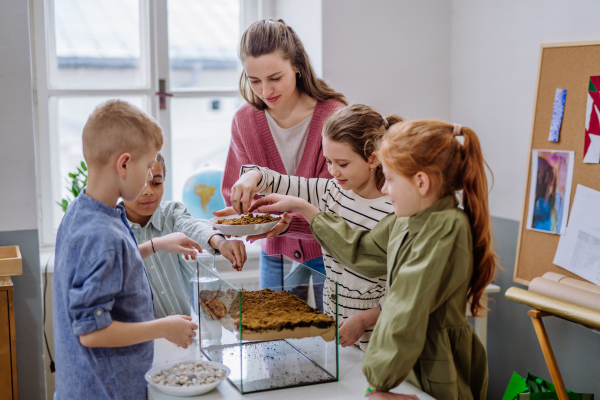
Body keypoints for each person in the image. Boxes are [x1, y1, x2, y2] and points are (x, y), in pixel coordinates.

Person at [250, 120, 498, 399]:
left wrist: (378, 380)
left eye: (390, 179)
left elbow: (406, 307)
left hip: (437, 363)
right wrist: (307, 210)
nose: (384, 190)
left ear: (421, 182)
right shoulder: (406, 220)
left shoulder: (445, 227)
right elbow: (361, 250)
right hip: (409, 361)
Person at [53, 100, 198, 400]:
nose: (148, 178)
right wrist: (163, 327)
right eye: (147, 167)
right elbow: (93, 332)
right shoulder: (102, 235)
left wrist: (154, 245)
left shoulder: (82, 210)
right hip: (107, 391)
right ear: (124, 164)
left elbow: (112, 265)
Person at [231, 104, 400, 349]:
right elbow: (276, 181)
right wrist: (252, 177)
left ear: (373, 159)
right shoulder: (331, 191)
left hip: (378, 338)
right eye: (328, 161)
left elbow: (402, 291)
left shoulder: (394, 208)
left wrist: (364, 320)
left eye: (343, 163)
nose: (333, 171)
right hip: (336, 332)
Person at [218, 19, 347, 289]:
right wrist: (242, 208)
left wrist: (287, 224)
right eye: (254, 80)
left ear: (297, 66)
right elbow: (233, 189)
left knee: (334, 331)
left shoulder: (334, 116)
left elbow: (337, 199)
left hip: (329, 252)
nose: (265, 91)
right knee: (275, 332)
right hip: (274, 252)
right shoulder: (244, 121)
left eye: (275, 78)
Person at [121, 153, 247, 319]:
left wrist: (220, 242)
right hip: (148, 338)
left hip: (189, 328)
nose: (148, 191)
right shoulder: (112, 227)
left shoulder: (171, 212)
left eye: (156, 182)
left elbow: (192, 226)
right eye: (138, 183)